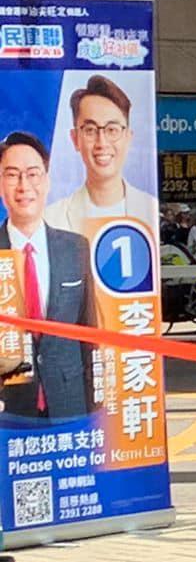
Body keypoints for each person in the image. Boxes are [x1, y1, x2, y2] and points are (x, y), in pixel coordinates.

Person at [0, 132, 91, 422]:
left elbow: (90, 336)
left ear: (47, 181)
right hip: (8, 409)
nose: (24, 186)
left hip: (69, 404)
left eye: (33, 174)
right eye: (12, 175)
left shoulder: (75, 248)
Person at [48, 75, 156, 235]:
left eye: (112, 130)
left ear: (128, 137)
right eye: (90, 130)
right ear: (75, 139)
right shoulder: (52, 219)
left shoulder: (150, 209)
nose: (102, 143)